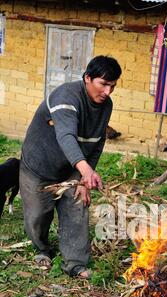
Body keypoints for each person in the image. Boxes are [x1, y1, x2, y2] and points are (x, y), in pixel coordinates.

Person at [20, 55, 122, 279]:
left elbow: (97, 142)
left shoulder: (106, 105)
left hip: (72, 168)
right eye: (103, 84)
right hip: (39, 165)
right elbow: (65, 136)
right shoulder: (66, 96)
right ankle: (42, 249)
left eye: (112, 86)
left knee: (77, 206)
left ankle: (75, 264)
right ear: (87, 78)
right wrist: (87, 171)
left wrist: (85, 177)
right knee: (37, 215)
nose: (108, 92)